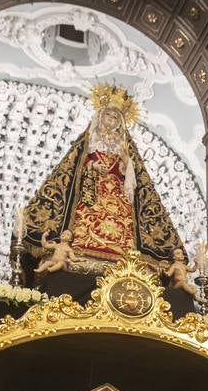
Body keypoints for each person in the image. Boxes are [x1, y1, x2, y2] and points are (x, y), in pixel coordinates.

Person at [23, 84, 186, 273]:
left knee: (122, 223)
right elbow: (75, 165)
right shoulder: (90, 138)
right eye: (108, 115)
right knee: (87, 217)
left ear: (120, 122)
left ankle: (124, 257)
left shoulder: (123, 143)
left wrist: (126, 163)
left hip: (116, 190)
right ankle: (82, 249)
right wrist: (92, 166)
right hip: (92, 188)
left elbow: (133, 172)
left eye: (115, 117)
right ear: (101, 115)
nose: (111, 119)